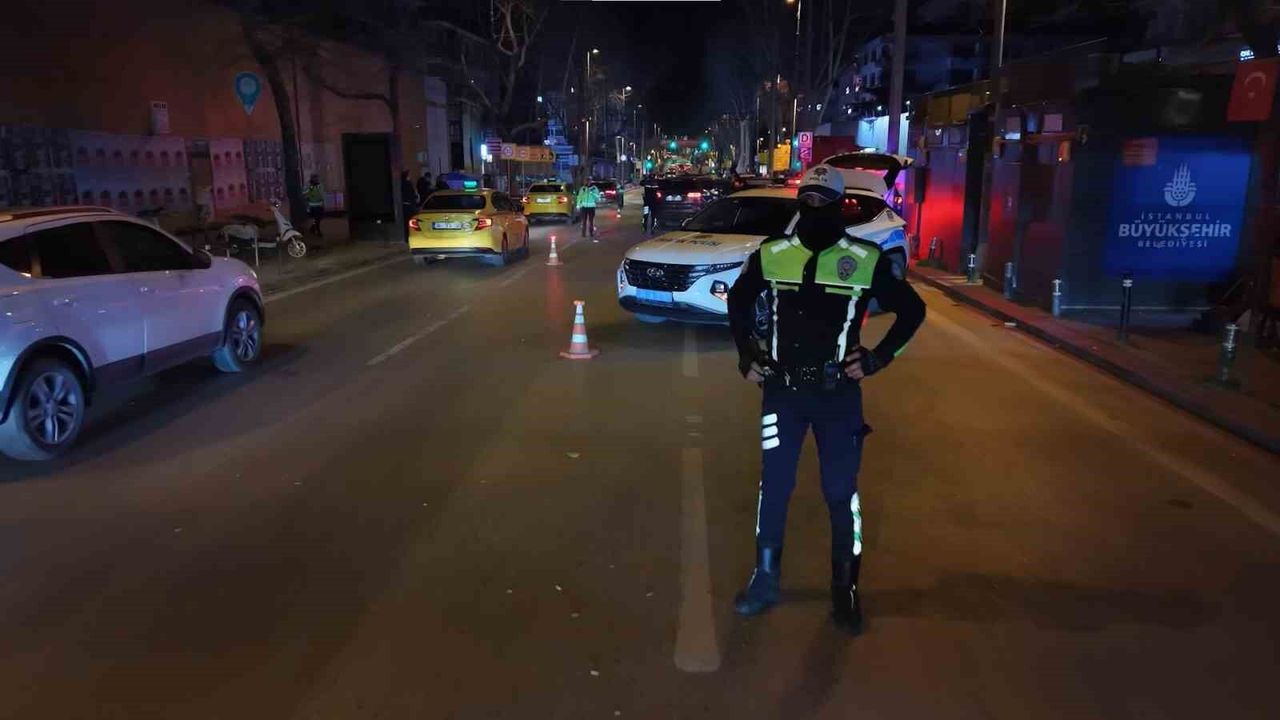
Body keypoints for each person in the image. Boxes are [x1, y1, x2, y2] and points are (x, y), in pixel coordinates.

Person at [726, 163, 926, 635]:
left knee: (841, 493)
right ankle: (765, 580)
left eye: (823, 202)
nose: (814, 208)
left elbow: (912, 311)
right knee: (775, 487)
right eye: (807, 201)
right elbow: (738, 301)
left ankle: (845, 589)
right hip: (783, 394)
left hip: (838, 399)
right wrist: (747, 355)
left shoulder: (864, 259)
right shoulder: (772, 254)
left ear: (840, 207)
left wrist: (878, 358)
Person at [400, 170, 419, 236]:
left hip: (403, 206)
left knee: (405, 223)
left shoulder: (400, 183)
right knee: (411, 221)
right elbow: (412, 194)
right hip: (409, 206)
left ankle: (406, 235)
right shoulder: (408, 184)